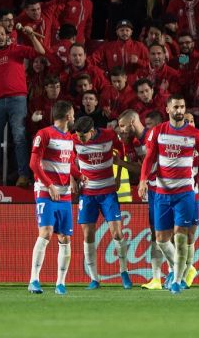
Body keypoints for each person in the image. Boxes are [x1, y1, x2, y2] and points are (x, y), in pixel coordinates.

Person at [138, 94, 199, 294]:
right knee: (162, 239)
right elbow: (148, 158)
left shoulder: (195, 134)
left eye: (182, 107)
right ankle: (179, 269)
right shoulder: (158, 132)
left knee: (181, 238)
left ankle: (177, 280)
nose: (180, 111)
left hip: (186, 193)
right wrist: (143, 179)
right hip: (162, 193)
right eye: (176, 107)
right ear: (168, 109)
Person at [0, 22, 44, 188]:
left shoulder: (15, 49)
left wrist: (32, 35)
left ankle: (23, 175)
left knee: (19, 138)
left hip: (17, 99)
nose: (0, 36)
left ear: (7, 36)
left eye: (2, 34)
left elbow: (40, 52)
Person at [28, 100, 85, 295]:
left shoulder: (70, 139)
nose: (74, 117)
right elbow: (34, 164)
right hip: (46, 190)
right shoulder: (44, 134)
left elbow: (66, 164)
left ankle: (60, 283)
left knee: (65, 237)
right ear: (68, 116)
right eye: (73, 113)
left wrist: (78, 175)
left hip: (65, 193)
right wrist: (50, 185)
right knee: (45, 231)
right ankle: (34, 280)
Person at [72, 116, 132, 289]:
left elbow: (122, 155)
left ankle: (124, 272)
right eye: (78, 136)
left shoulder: (109, 135)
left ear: (92, 131)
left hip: (108, 192)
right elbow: (69, 160)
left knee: (117, 233)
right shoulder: (73, 139)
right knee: (88, 234)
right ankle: (94, 278)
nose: (80, 139)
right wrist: (72, 179)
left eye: (83, 136)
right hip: (87, 194)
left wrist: (119, 176)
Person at [117, 109, 165, 289]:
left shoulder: (152, 136)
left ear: (131, 123)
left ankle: (181, 271)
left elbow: (150, 166)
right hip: (152, 190)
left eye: (122, 126)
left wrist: (121, 163)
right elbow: (138, 168)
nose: (120, 130)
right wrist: (127, 146)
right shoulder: (134, 142)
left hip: (164, 188)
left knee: (169, 233)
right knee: (155, 232)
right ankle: (157, 279)